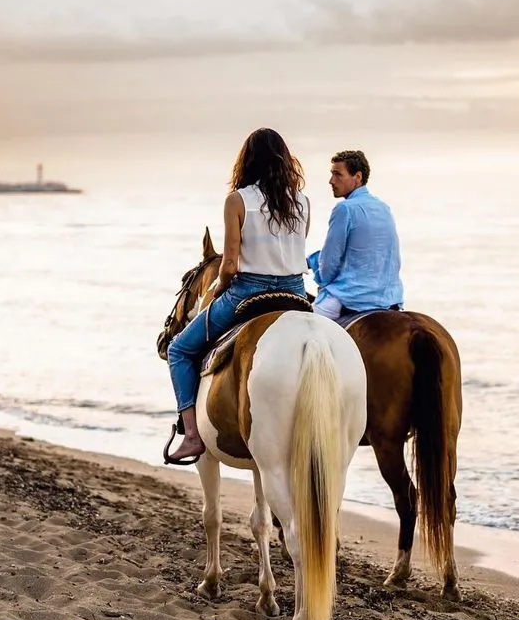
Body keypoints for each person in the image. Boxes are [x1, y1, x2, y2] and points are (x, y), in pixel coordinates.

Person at [164, 128, 310, 465]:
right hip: (296, 294)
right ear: (286, 161)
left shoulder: (237, 200)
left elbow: (229, 263)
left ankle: (190, 436)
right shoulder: (303, 202)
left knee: (179, 349)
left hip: (250, 291)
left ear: (246, 161)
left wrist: (217, 288)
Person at [307, 149, 403, 320]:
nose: (331, 181)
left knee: (303, 327)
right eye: (332, 174)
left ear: (357, 177)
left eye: (338, 174)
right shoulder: (383, 207)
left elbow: (329, 263)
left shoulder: (344, 209)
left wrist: (317, 272)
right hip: (389, 298)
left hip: (353, 298)